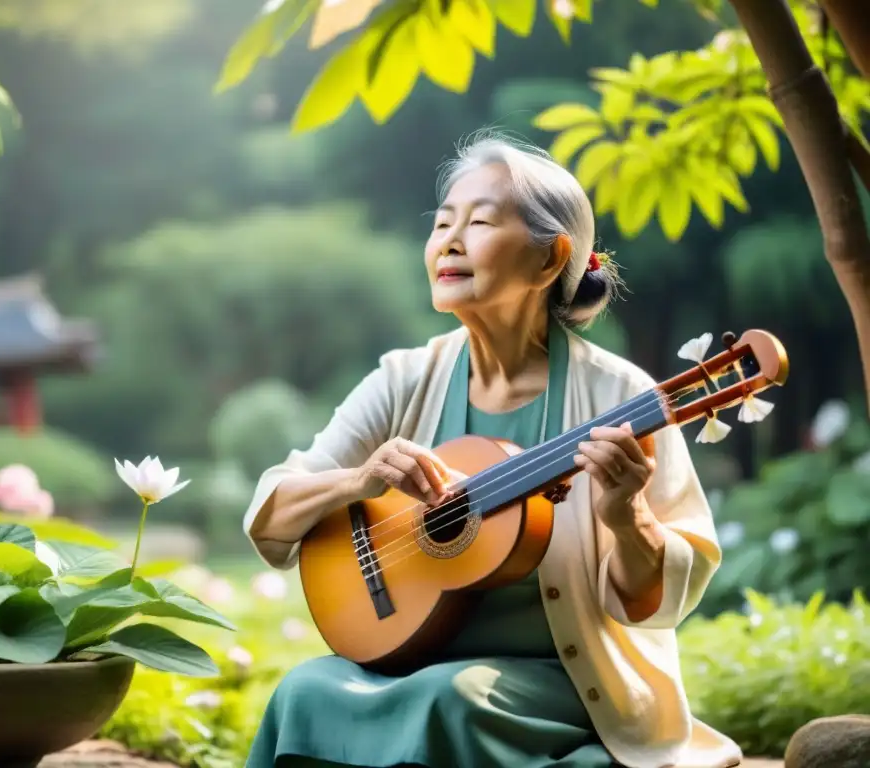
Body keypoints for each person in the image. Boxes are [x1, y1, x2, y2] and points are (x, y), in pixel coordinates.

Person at [241, 132, 742, 768]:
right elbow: (273, 513)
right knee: (305, 690)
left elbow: (660, 600)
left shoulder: (621, 396)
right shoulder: (404, 378)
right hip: (412, 660)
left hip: (556, 682)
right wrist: (358, 482)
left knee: (451, 699)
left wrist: (628, 516)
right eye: (443, 223)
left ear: (549, 260)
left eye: (478, 222)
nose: (449, 241)